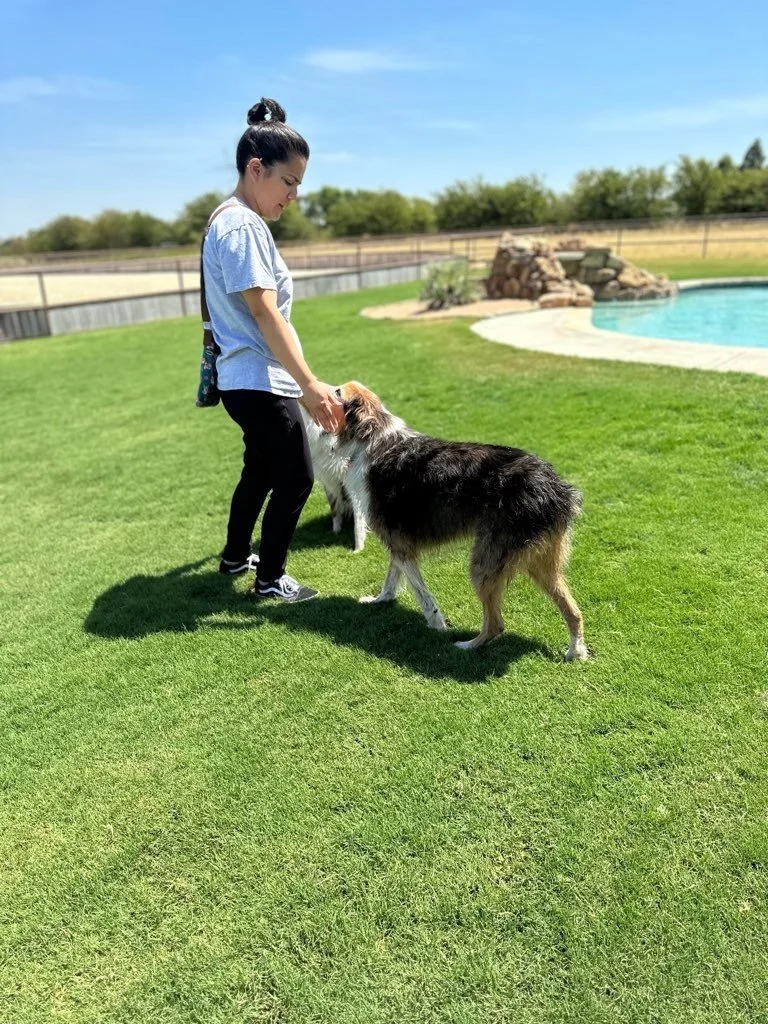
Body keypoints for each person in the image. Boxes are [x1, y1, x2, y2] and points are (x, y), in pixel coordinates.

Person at [203, 97, 343, 602]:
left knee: (260, 469)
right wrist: (308, 386)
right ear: (255, 169)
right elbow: (264, 311)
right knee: (296, 479)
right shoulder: (241, 225)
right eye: (288, 183)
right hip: (259, 380)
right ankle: (269, 581)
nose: (293, 197)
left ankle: (236, 556)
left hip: (245, 379)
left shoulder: (231, 219)